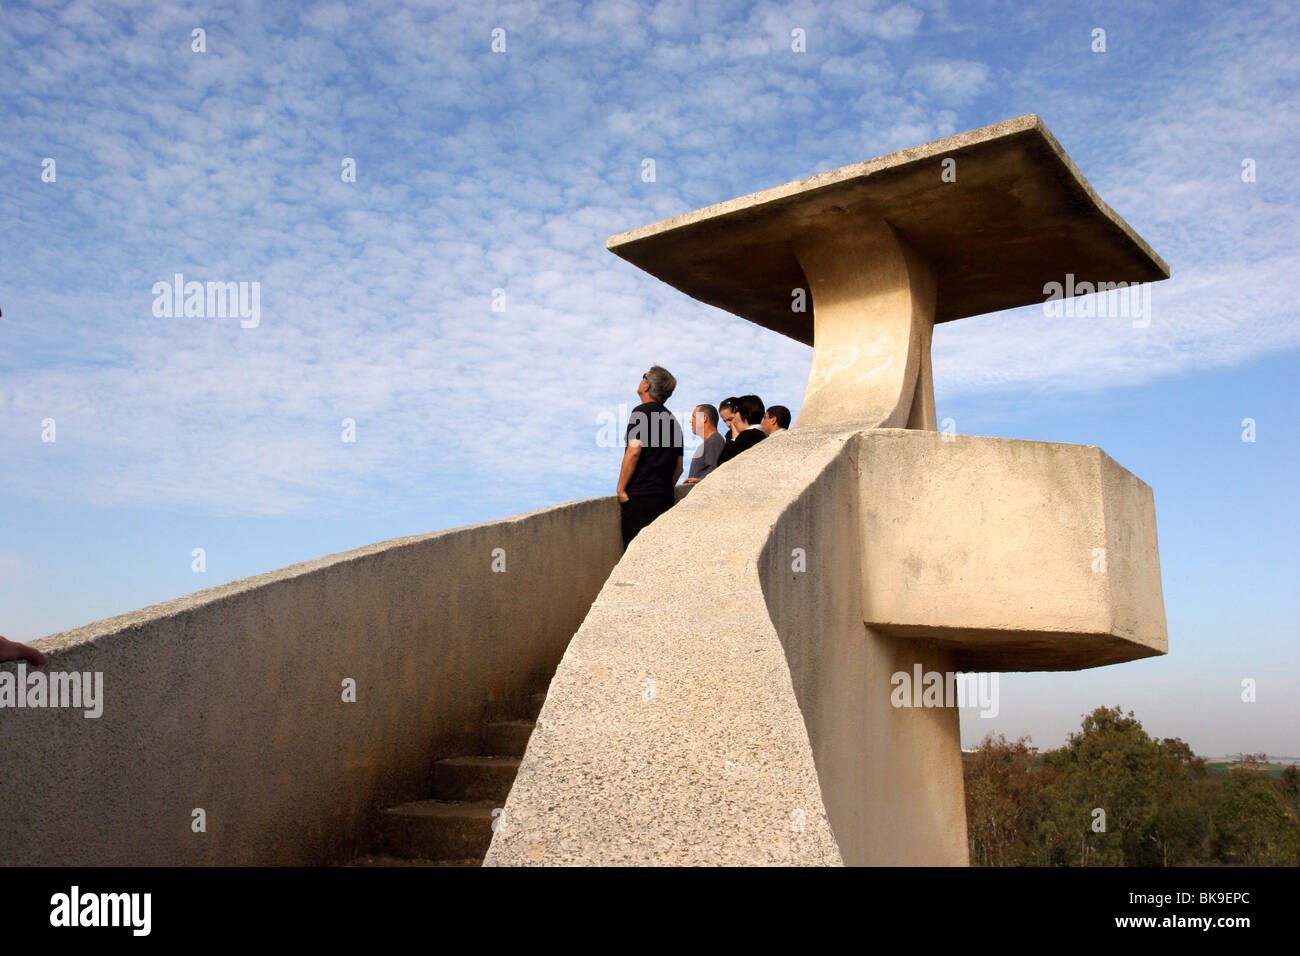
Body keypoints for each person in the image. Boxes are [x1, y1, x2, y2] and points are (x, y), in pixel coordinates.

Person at [617, 366, 684, 548]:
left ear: (647, 385)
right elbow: (679, 467)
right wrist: (663, 488)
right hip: (665, 499)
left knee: (633, 559)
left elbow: (634, 450)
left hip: (640, 498)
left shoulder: (641, 412)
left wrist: (621, 490)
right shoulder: (674, 422)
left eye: (643, 376)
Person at [716, 394, 767, 466]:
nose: (729, 424)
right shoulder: (761, 433)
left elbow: (722, 463)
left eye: (731, 419)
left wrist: (734, 439)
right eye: (725, 421)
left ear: (743, 414)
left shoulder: (748, 436)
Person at [684, 404, 725, 484]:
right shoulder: (707, 443)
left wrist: (700, 481)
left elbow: (715, 471)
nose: (691, 420)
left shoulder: (715, 440)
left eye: (694, 417)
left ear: (704, 418)